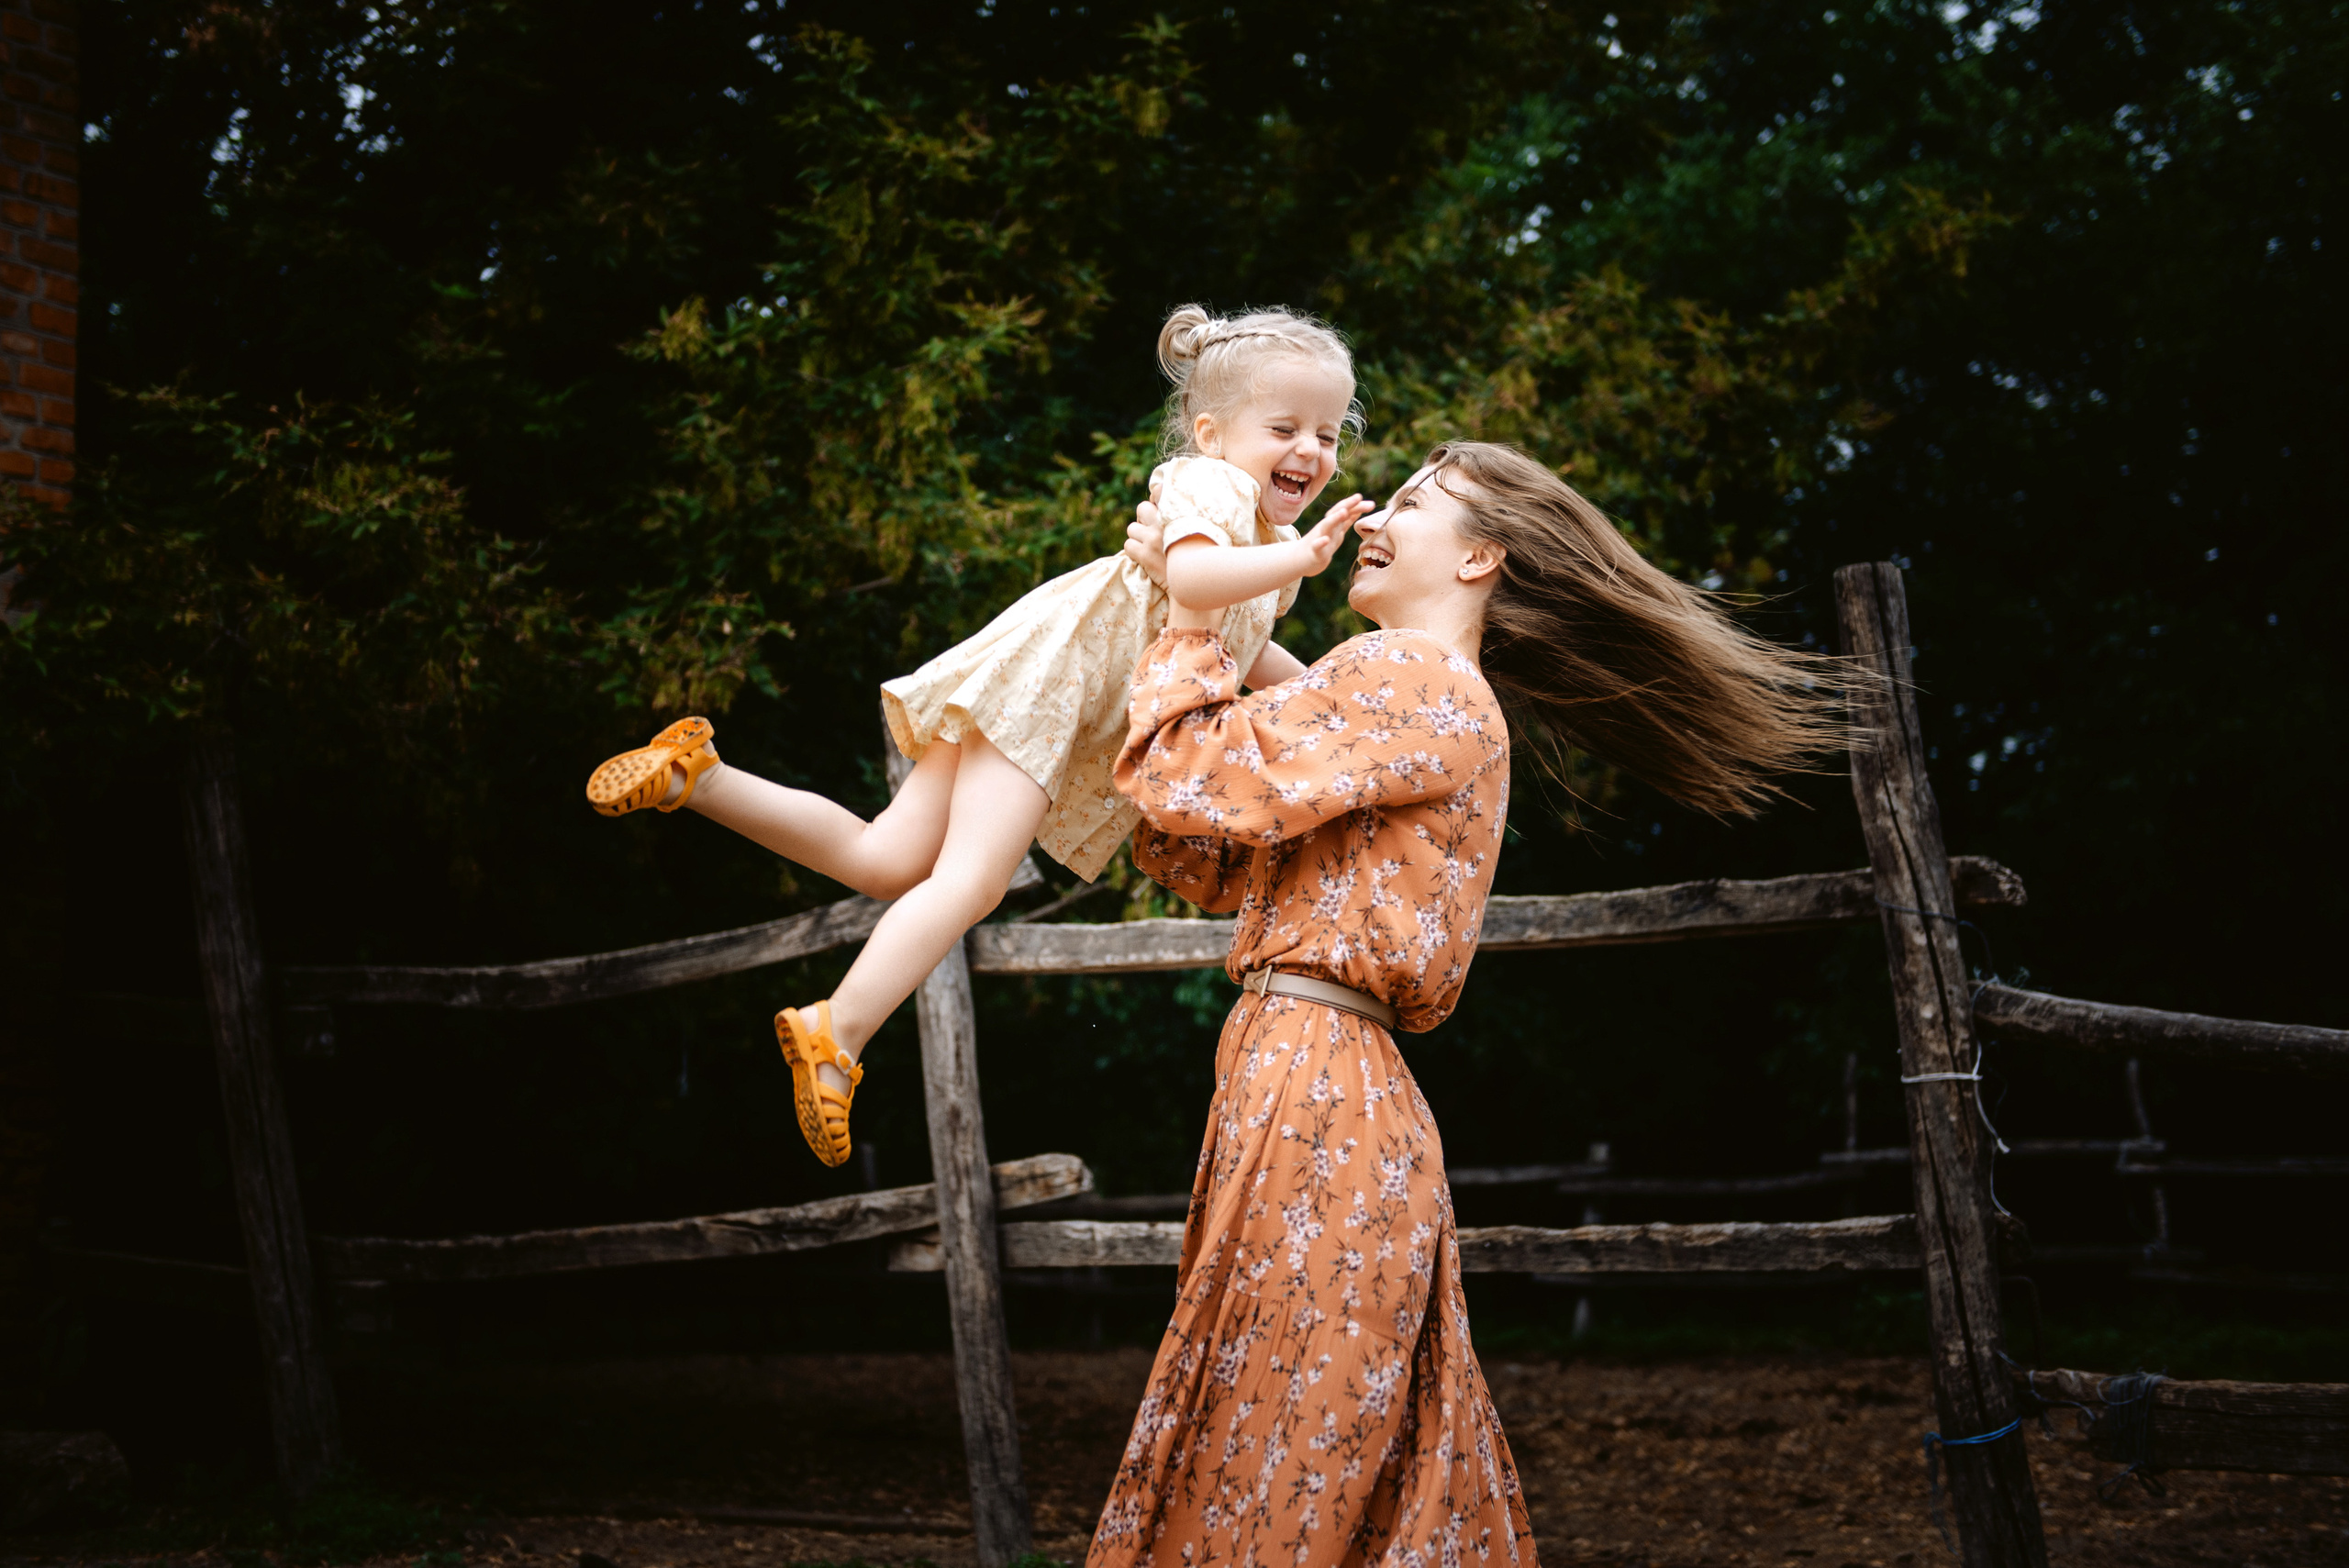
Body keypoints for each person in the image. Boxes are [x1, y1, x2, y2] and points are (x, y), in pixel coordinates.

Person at [1092, 440, 1847, 1566]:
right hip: (1327, 1079)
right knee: (1334, 1432)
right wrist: (1219, 611)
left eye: (1412, 502)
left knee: (1282, 1426)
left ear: (1482, 554)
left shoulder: (1412, 678)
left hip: (1316, 1079)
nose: (1374, 515)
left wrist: (1190, 617)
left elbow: (1195, 780)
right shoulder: (1413, 690)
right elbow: (1225, 841)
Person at [580, 304, 1376, 1168]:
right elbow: (1189, 573)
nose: (1311, 451)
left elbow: (1246, 645)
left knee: (887, 859)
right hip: (1051, 687)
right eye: (1286, 427)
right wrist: (1299, 562)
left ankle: (695, 774)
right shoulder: (1209, 486)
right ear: (1210, 431)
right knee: (971, 883)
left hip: (1043, 683)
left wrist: (1334, 696)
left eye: (1329, 435)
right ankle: (835, 1032)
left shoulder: (1273, 544)